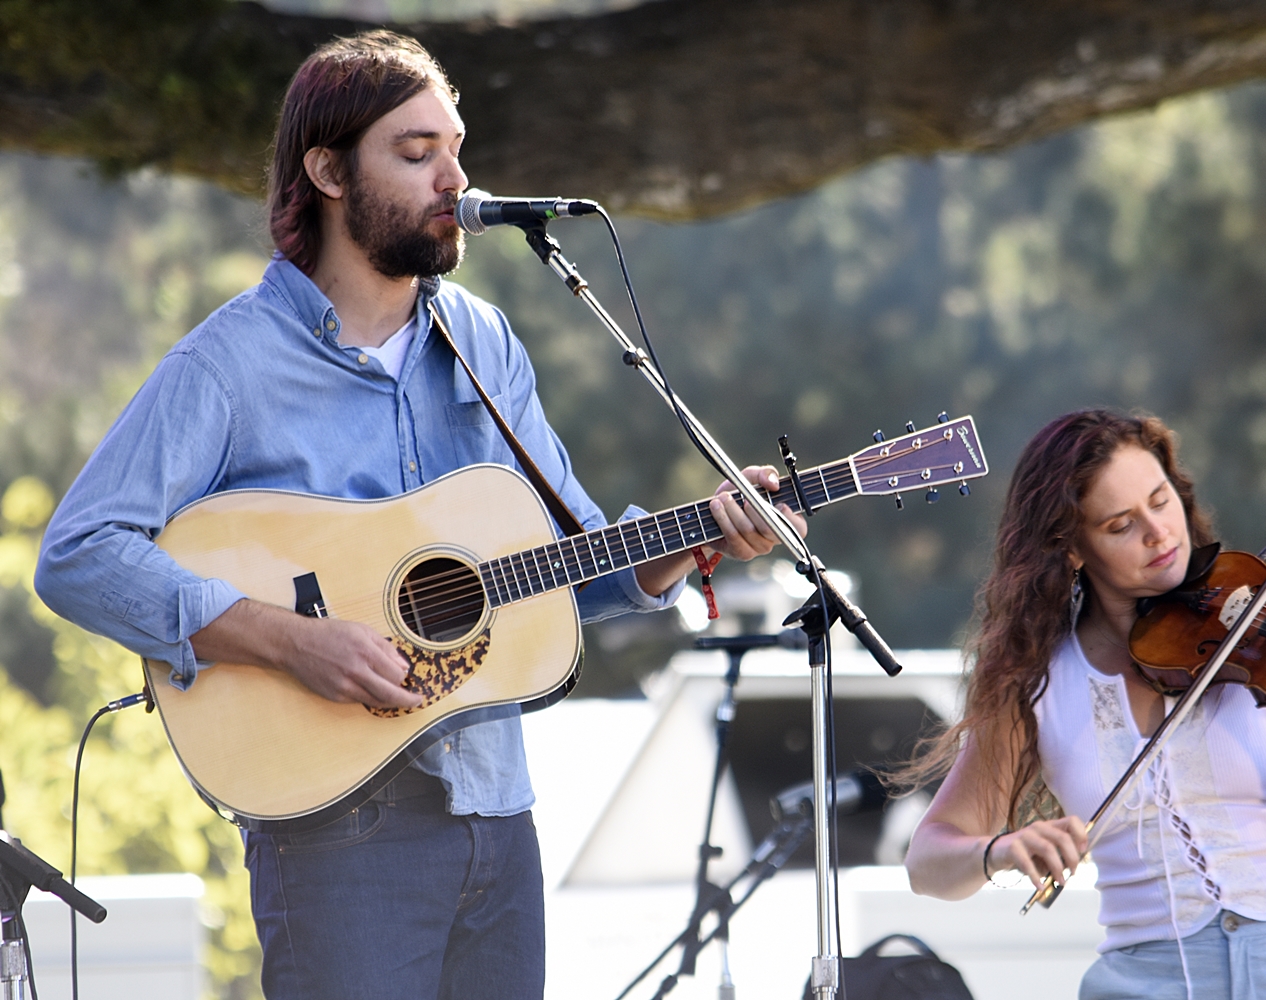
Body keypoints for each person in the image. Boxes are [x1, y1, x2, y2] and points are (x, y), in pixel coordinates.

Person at [33, 30, 804, 1000]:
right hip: (335, 834)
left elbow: (570, 564)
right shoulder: (227, 366)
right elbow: (80, 554)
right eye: (416, 152)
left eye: (456, 149)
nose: (455, 178)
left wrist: (690, 543)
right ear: (328, 172)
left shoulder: (481, 340)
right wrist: (289, 640)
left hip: (497, 811)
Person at [903, 409, 1266, 999]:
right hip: (1144, 978)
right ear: (1071, 548)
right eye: (1120, 525)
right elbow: (927, 862)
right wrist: (997, 850)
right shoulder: (1034, 683)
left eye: (1161, 501)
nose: (1158, 533)